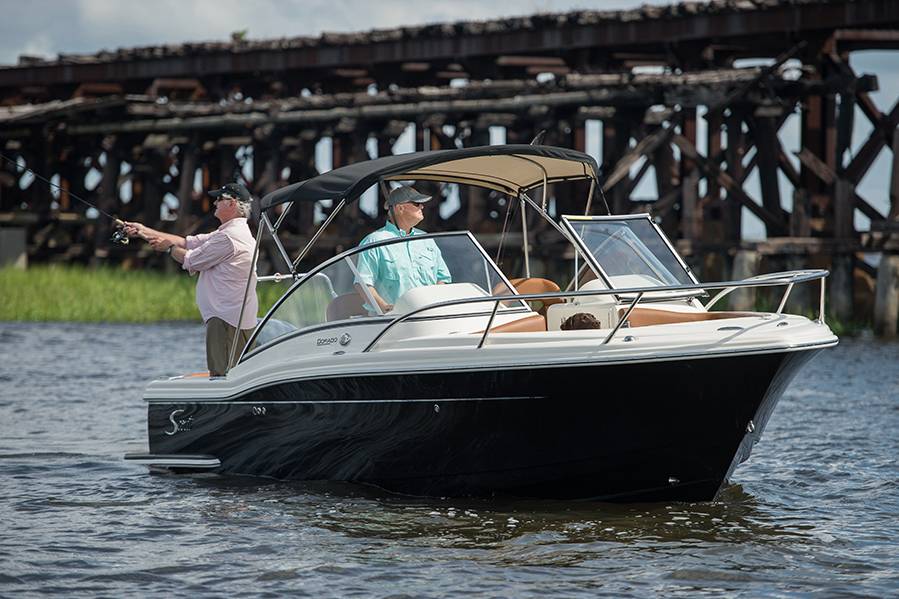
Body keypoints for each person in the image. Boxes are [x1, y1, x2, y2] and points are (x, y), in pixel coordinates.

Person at [123, 182, 258, 377]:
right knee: (235, 373)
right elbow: (186, 242)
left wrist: (169, 249)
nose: (214, 203)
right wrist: (143, 230)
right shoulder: (232, 233)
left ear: (232, 203)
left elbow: (191, 260)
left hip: (225, 319)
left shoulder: (228, 238)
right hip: (232, 317)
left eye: (219, 199)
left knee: (223, 374)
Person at [354, 185, 451, 314]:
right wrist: (385, 308)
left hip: (428, 317)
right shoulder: (373, 241)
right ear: (400, 208)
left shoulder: (427, 239)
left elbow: (443, 278)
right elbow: (362, 283)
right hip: (392, 321)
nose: (422, 207)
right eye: (417, 203)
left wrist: (434, 304)